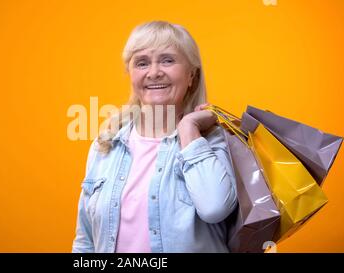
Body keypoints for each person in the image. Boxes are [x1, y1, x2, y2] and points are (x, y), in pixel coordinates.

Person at [72, 21, 237, 253]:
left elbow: (214, 208)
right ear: (130, 74)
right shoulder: (106, 146)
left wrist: (189, 128)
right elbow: (85, 241)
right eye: (142, 63)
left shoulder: (214, 141)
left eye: (168, 60)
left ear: (192, 75)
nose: (154, 72)